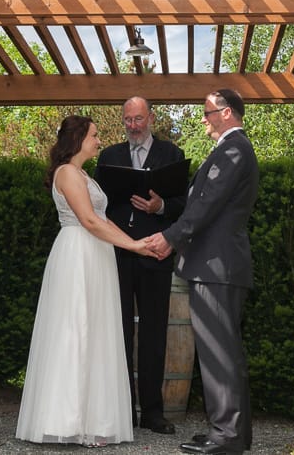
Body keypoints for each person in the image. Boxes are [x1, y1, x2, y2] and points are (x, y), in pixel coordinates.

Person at [16, 115, 158, 448]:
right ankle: (66, 420)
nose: (99, 140)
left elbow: (103, 220)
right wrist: (134, 247)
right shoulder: (67, 173)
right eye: (94, 135)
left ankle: (94, 420)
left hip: (96, 255)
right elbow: (89, 221)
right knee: (75, 330)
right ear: (78, 139)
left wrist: (136, 242)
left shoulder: (82, 175)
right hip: (77, 254)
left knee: (95, 331)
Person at [145, 89, 259, 455]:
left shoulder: (234, 150)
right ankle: (232, 432)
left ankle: (226, 436)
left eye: (208, 112)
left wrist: (170, 238)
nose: (204, 118)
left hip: (216, 266)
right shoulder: (232, 150)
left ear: (226, 113)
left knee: (218, 352)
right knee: (224, 351)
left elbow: (207, 204)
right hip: (216, 265)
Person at [96, 97, 186, 435]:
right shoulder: (109, 156)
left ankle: (152, 412)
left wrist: (160, 206)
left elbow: (184, 205)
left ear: (151, 118)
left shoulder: (172, 154)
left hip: (155, 256)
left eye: (138, 119)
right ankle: (122, 410)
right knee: (117, 331)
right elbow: (97, 206)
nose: (133, 126)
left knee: (154, 334)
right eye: (128, 120)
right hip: (116, 255)